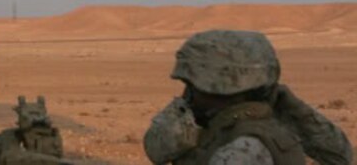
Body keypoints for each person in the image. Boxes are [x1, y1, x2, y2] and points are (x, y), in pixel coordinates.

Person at [144, 29, 352, 165]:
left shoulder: (245, 148)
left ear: (220, 89)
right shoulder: (234, 130)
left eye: (193, 86)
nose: (187, 96)